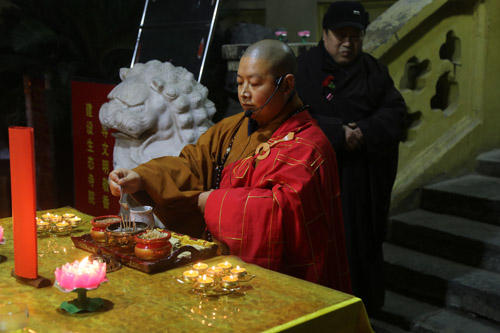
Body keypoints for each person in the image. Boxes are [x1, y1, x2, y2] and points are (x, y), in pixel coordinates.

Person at [109, 39, 352, 292]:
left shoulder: (309, 146)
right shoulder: (232, 128)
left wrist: (213, 202)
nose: (244, 92)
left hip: (283, 277)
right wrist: (141, 176)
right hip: (222, 264)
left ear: (287, 84)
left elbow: (286, 210)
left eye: (255, 83)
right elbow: (192, 164)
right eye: (239, 82)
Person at [296, 1, 408, 312]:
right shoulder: (304, 70)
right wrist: (337, 133)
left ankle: (365, 313)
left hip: (364, 182)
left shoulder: (374, 70)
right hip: (322, 181)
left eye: (356, 36)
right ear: (325, 33)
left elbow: (397, 112)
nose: (348, 43)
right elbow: (292, 118)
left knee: (362, 247)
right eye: (341, 35)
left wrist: (364, 131)